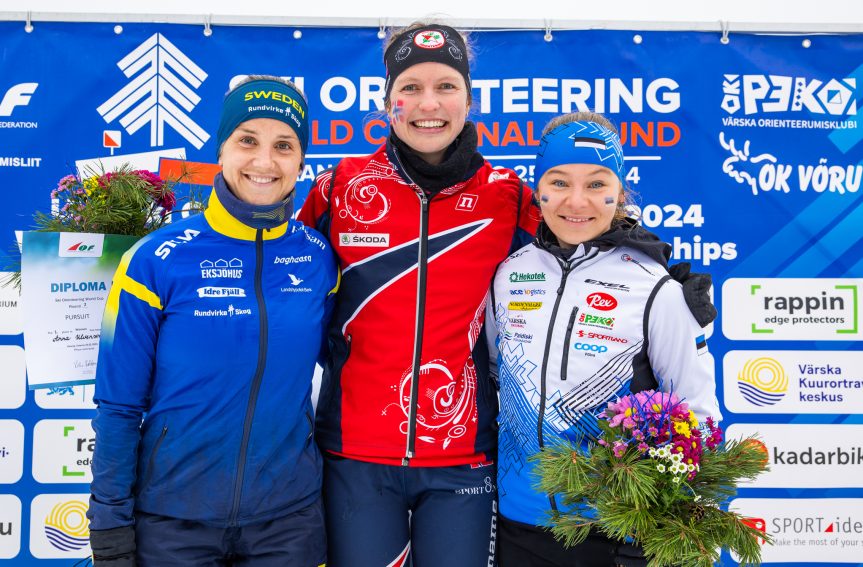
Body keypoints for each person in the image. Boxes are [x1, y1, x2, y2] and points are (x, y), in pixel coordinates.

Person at [298, 22, 539, 567]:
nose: (428, 103)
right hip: (355, 454)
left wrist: (643, 258)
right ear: (388, 102)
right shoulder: (342, 187)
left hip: (463, 455)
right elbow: (286, 280)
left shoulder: (507, 196)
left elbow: (575, 250)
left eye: (446, 86)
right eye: (410, 87)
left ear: (469, 98)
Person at [87, 76, 337, 567]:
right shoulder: (156, 259)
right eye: (247, 140)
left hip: (288, 523)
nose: (264, 162)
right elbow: (117, 405)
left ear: (301, 161)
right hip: (172, 522)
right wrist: (109, 523)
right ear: (220, 149)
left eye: (283, 146)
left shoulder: (319, 258)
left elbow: (347, 366)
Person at [487, 111, 720, 567]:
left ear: (619, 191)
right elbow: (496, 375)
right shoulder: (509, 274)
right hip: (519, 526)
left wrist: (691, 519)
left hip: (617, 532)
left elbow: (696, 410)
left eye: (596, 184)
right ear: (538, 190)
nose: (577, 201)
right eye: (558, 182)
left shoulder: (656, 287)